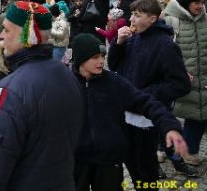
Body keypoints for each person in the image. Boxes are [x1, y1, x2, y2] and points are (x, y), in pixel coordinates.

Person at [0, 1, 84, 190]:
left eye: (7, 30)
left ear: (26, 36)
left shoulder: (8, 90)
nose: (1, 36)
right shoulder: (67, 75)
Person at [71, 33, 188, 191]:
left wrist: (170, 126)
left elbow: (146, 102)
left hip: (109, 160)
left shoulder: (114, 82)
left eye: (102, 56)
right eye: (95, 57)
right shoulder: (67, 83)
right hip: (78, 160)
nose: (101, 61)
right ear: (80, 59)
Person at [108, 0, 192, 183]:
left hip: (147, 117)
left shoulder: (165, 45)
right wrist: (118, 44)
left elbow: (180, 84)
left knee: (146, 167)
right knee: (130, 161)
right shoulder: (133, 38)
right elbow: (114, 65)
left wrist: (143, 95)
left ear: (153, 19)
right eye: (132, 14)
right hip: (126, 113)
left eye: (137, 15)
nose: (132, 19)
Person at [163, 0, 207, 166]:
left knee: (198, 115)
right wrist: (178, 71)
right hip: (178, 78)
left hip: (202, 77)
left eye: (202, 2)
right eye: (196, 2)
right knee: (166, 112)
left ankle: (189, 152)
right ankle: (162, 148)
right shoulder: (170, 20)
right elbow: (163, 50)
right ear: (186, 3)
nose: (200, 6)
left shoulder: (205, 19)